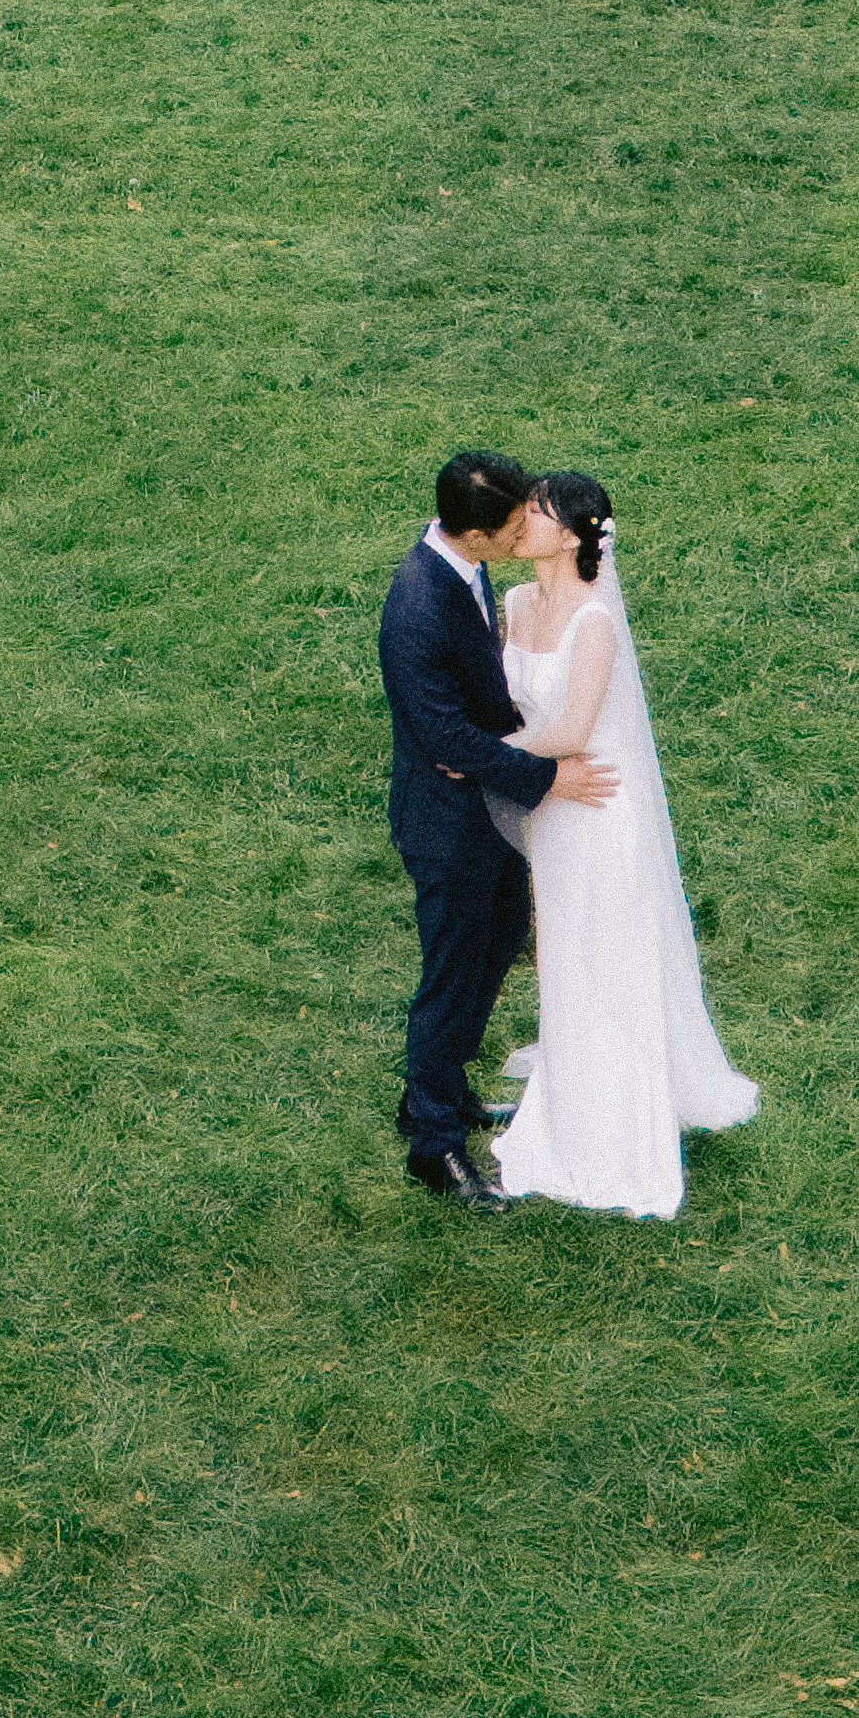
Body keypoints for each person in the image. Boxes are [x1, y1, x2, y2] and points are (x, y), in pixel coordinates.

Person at [478, 472, 758, 1221]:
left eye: (538, 512)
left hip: (598, 808)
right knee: (564, 956)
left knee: (606, 957)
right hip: (550, 807)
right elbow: (514, 708)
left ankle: (615, 1132)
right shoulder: (515, 603)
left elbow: (573, 730)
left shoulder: (595, 622)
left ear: (573, 535)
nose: (523, 519)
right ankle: (573, 1100)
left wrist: (478, 756)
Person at [382, 450, 607, 1206]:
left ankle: (445, 1090)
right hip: (447, 824)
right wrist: (547, 776)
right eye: (513, 526)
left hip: (485, 808)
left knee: (501, 934)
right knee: (452, 974)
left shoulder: (466, 568)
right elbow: (444, 739)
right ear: (475, 534)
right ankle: (433, 1142)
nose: (523, 533)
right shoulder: (417, 607)